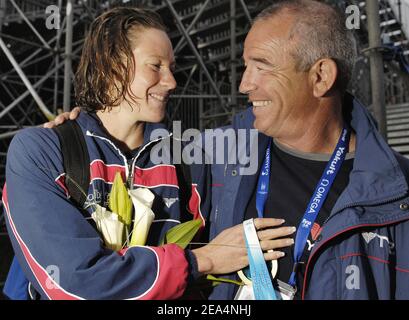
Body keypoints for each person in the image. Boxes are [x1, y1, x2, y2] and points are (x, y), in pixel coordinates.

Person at [46, 0, 409, 300]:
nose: (243, 84)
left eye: (261, 67)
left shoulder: (395, 195)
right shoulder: (220, 155)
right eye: (244, 65)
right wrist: (81, 128)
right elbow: (131, 149)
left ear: (320, 77)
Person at [2, 7, 294, 300]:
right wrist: (204, 260)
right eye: (155, 66)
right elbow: (74, 284)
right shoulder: (43, 151)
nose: (171, 82)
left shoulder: (192, 159)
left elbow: (274, 117)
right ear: (111, 66)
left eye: (171, 67)